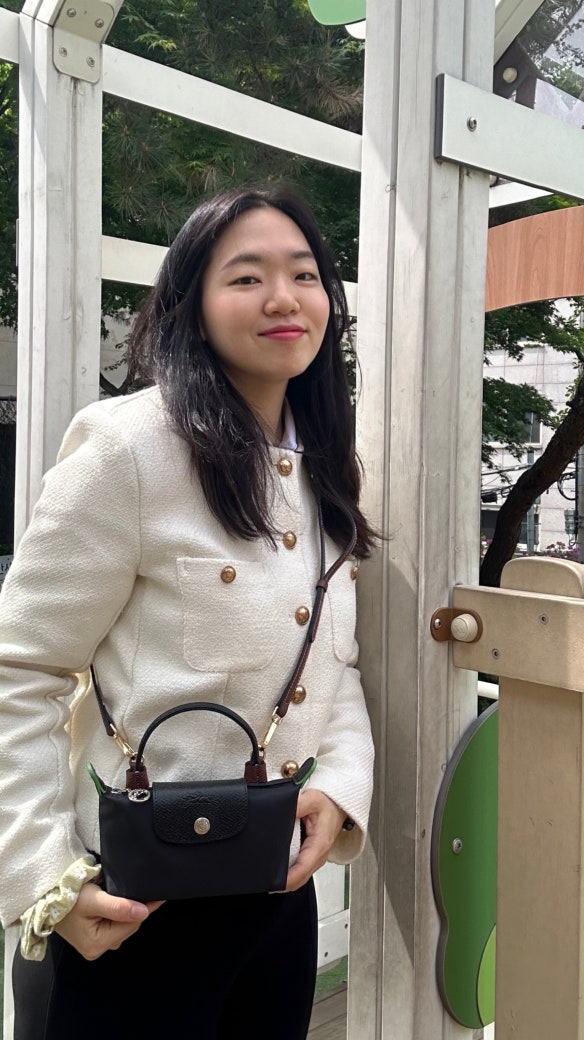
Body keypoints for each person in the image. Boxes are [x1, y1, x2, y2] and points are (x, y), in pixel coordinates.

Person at [0, 185, 377, 1039]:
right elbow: (21, 669)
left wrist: (340, 786)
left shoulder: (322, 466)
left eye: (305, 275)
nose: (283, 298)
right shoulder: (129, 448)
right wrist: (43, 876)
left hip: (276, 893)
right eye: (246, 277)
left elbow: (336, 662)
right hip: (126, 905)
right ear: (192, 309)